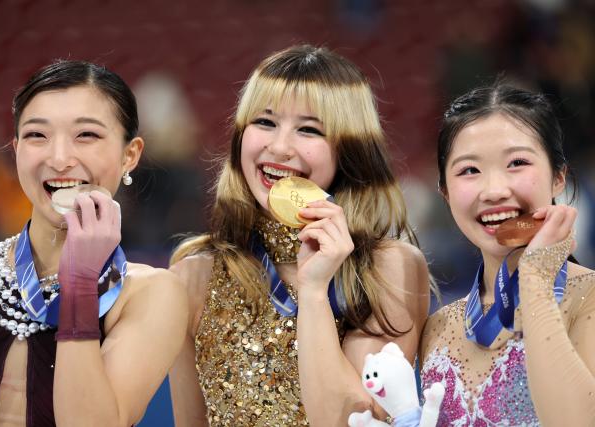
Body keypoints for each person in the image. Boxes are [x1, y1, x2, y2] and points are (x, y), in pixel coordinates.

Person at [168, 44, 432, 426]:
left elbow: (350, 421)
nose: (278, 147)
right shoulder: (194, 276)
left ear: (350, 150)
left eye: (308, 129)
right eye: (264, 122)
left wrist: (313, 290)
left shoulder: (387, 269)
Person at [0, 60, 188, 426]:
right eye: (37, 136)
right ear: (16, 150)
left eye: (86, 136)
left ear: (130, 155)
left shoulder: (153, 293)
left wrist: (80, 282)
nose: (59, 158)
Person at [420, 83, 595, 425]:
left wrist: (535, 281)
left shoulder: (588, 299)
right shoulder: (439, 325)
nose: (495, 190)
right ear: (444, 191)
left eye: (517, 162)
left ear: (559, 176)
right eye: (469, 170)